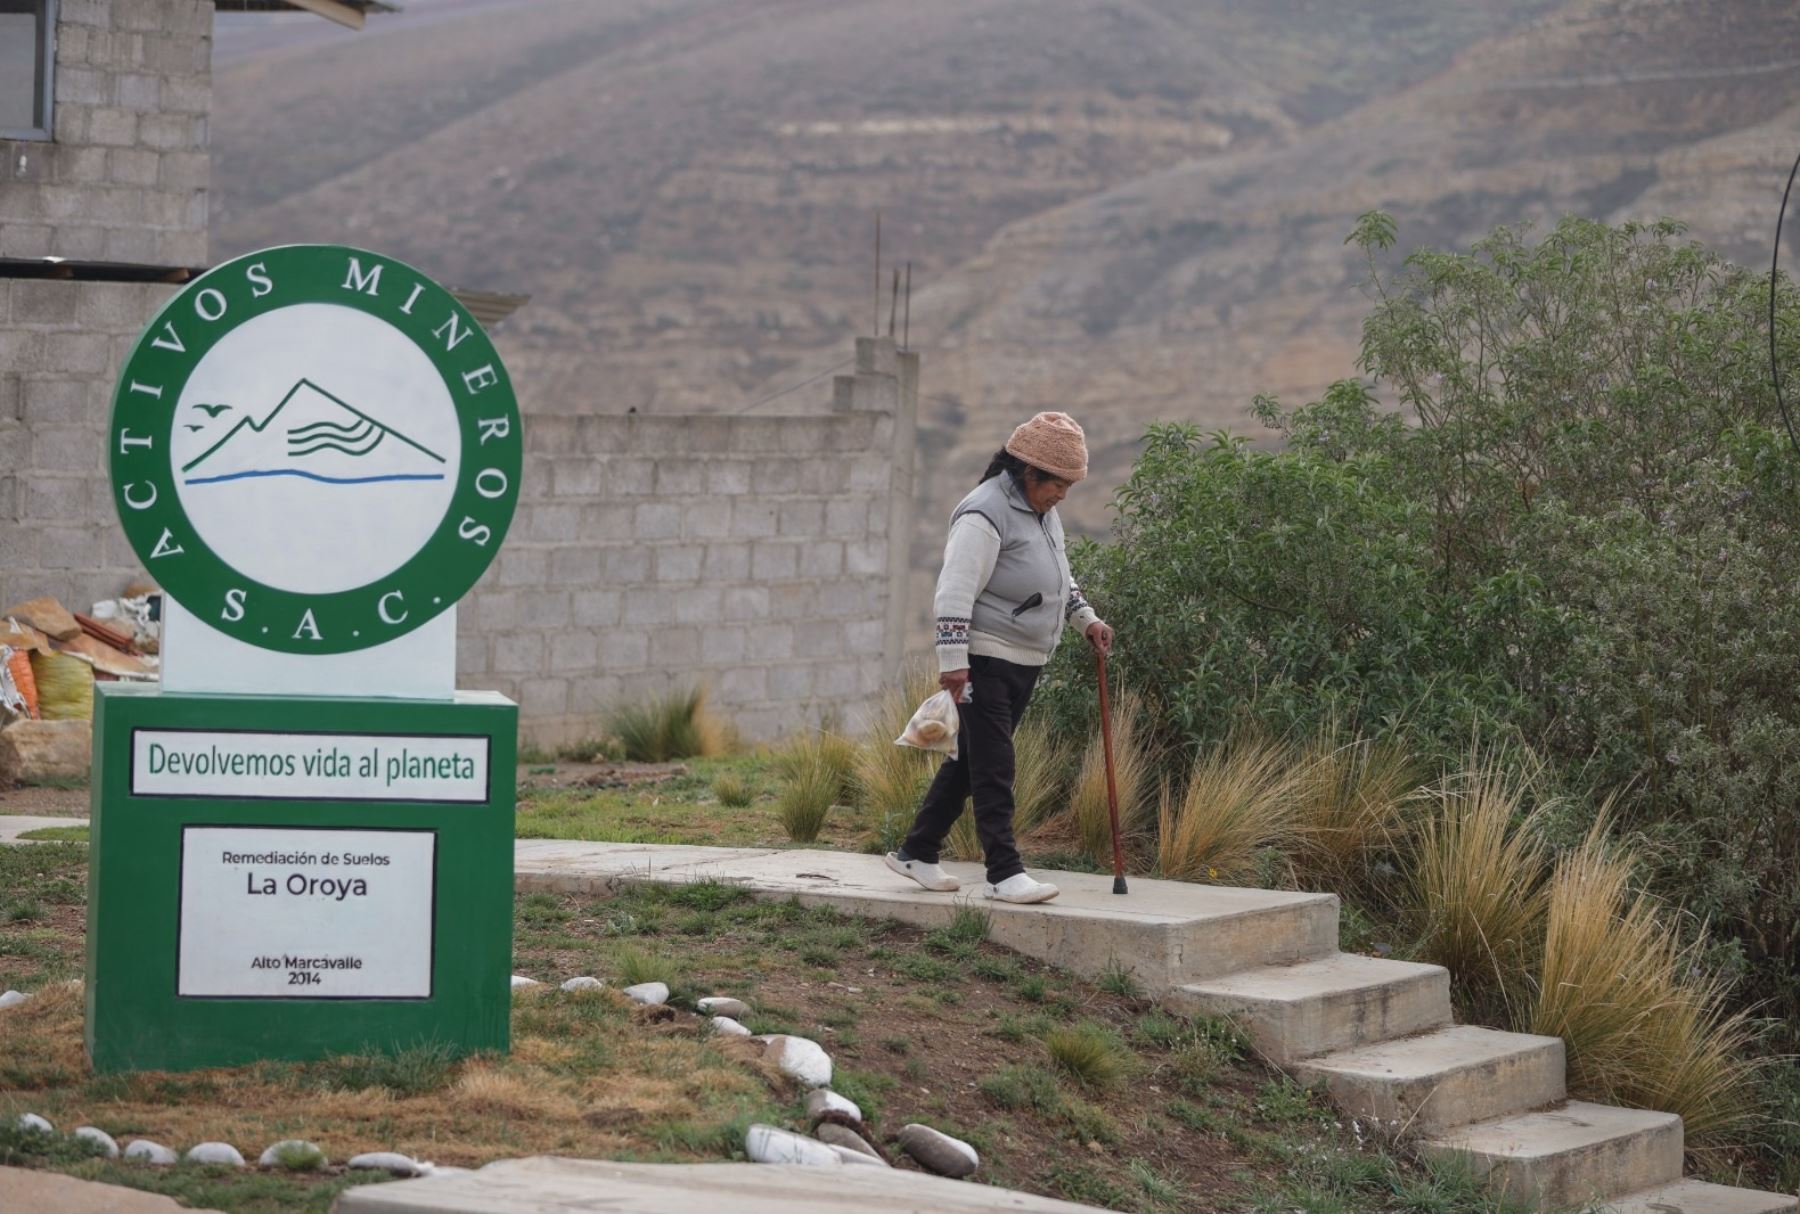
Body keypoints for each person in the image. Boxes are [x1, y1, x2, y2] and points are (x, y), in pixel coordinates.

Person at [886, 412, 1113, 904]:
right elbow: (953, 592)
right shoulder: (984, 514)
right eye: (1059, 484)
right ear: (1029, 473)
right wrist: (953, 663)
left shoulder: (1040, 512)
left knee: (970, 762)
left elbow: (1059, 578)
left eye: (1069, 486)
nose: (1063, 496)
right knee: (995, 767)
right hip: (981, 663)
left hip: (1022, 663)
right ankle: (1003, 872)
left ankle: (917, 852)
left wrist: (1087, 620)